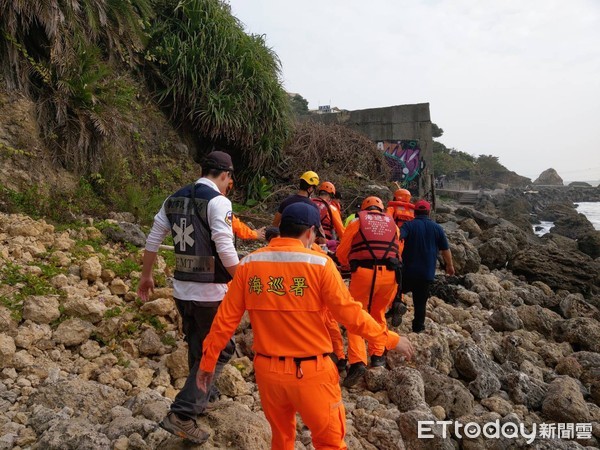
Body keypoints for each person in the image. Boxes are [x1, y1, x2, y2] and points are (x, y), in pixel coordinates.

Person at [196, 202, 414, 449]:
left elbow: (224, 321)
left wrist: (207, 363)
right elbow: (351, 314)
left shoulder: (248, 265)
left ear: (281, 229)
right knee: (330, 442)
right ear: (311, 232)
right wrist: (390, 340)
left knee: (282, 439)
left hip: (268, 374)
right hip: (312, 372)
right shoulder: (320, 264)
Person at [137, 150, 239, 444]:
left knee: (199, 342)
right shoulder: (219, 201)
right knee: (221, 349)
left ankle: (206, 394)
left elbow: (154, 238)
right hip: (211, 291)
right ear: (224, 175)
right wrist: (244, 279)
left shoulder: (174, 198)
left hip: (182, 290)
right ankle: (183, 412)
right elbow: (225, 247)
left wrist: (146, 275)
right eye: (229, 178)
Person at [336, 196, 402, 387]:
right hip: (390, 276)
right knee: (378, 313)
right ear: (381, 209)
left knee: (356, 315)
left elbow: (342, 252)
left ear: (364, 208)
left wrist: (348, 264)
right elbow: (398, 251)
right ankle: (378, 355)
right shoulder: (393, 225)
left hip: (364, 273)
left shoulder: (358, 221)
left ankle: (357, 361)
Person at [400, 199, 455, 333]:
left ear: (414, 212)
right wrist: (450, 266)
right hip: (426, 273)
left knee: (395, 292)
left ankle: (394, 310)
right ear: (429, 212)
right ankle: (418, 328)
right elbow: (445, 250)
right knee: (420, 303)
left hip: (408, 271)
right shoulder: (437, 228)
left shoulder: (408, 225)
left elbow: (398, 237)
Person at [385, 188, 415, 326]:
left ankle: (394, 303)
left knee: (392, 276)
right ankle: (399, 301)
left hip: (395, 244)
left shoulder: (392, 208)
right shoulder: (412, 212)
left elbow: (387, 223)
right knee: (400, 276)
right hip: (407, 247)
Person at [311, 181, 345, 249]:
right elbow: (342, 232)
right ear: (331, 196)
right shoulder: (332, 208)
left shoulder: (309, 202)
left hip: (306, 241)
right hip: (323, 243)